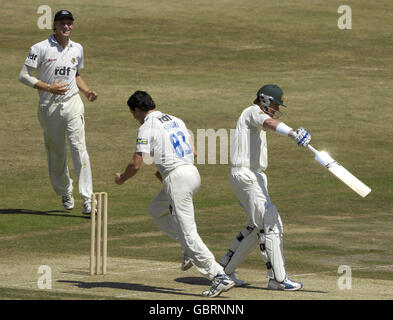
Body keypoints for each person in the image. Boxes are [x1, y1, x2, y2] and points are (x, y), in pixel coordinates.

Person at [114, 90, 235, 297]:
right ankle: (188, 250)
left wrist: (122, 179)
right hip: (191, 173)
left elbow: (135, 164)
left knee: (189, 234)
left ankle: (218, 276)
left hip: (177, 179)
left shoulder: (146, 127)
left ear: (136, 109)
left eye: (132, 113)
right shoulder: (175, 119)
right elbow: (194, 152)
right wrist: (166, 169)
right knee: (157, 209)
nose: (133, 117)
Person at [218, 84, 311, 291]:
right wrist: (293, 133)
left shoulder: (253, 118)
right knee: (272, 224)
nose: (277, 109)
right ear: (265, 100)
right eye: (275, 104)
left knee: (256, 228)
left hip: (251, 177)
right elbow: (269, 122)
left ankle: (224, 271)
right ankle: (278, 279)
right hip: (247, 176)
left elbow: (268, 122)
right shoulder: (253, 112)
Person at [19, 10, 98, 214]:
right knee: (57, 153)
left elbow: (76, 74)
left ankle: (88, 199)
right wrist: (48, 87)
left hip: (73, 103)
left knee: (79, 149)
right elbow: (24, 76)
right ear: (54, 25)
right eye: (62, 23)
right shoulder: (39, 48)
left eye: (69, 23)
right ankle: (65, 191)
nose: (66, 27)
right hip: (49, 106)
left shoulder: (77, 48)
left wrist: (87, 91)